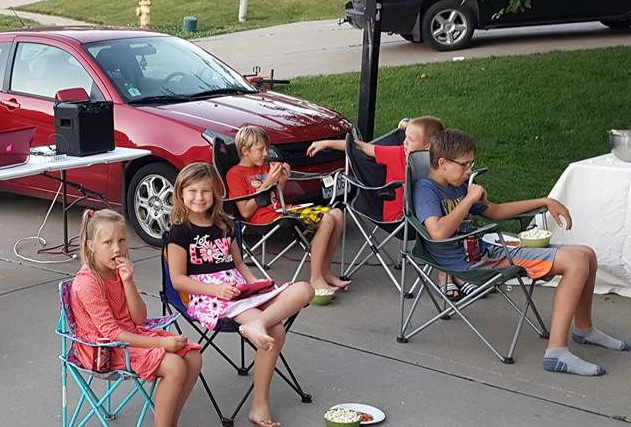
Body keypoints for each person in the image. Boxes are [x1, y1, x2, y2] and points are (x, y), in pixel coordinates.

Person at [414, 129, 628, 376]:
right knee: (577, 262)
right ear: (442, 162)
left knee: (587, 254)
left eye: (471, 164)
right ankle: (556, 353)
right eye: (465, 165)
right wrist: (468, 200)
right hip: (472, 263)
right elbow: (438, 232)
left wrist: (544, 201)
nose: (469, 171)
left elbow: (495, 211)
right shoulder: (426, 189)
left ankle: (584, 329)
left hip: (486, 251)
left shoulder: (458, 185)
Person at [167, 163, 314, 427]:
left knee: (305, 289)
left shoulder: (224, 224)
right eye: (192, 191)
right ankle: (259, 405)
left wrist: (255, 282)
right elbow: (177, 280)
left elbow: (239, 264)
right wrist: (216, 290)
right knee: (276, 331)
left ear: (216, 194)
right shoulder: (180, 231)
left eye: (206, 191)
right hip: (209, 297)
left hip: (240, 290)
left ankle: (258, 323)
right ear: (181, 193)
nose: (199, 197)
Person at [70, 209, 203, 427]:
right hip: (102, 349)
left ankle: (171, 426)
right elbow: (110, 332)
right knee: (174, 365)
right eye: (107, 242)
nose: (116, 248)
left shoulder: (118, 272)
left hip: (129, 335)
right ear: (91, 246)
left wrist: (128, 281)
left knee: (193, 357)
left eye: (121, 240)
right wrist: (161, 343)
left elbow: (139, 318)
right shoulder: (87, 283)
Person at [307, 117, 457, 298]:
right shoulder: (398, 154)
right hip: (399, 216)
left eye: (410, 139)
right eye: (405, 137)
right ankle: (447, 275)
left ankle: (453, 273)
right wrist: (327, 143)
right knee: (441, 225)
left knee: (451, 219)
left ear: (428, 147)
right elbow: (362, 147)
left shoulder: (440, 164)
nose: (404, 142)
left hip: (430, 216)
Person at [227, 125, 349, 292]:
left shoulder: (265, 167)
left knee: (337, 214)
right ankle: (316, 279)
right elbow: (246, 212)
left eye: (266, 148)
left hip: (282, 209)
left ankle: (325, 272)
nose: (266, 153)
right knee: (326, 218)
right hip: (263, 218)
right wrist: (268, 182)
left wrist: (282, 180)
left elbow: (276, 199)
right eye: (261, 149)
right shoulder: (235, 174)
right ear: (245, 151)